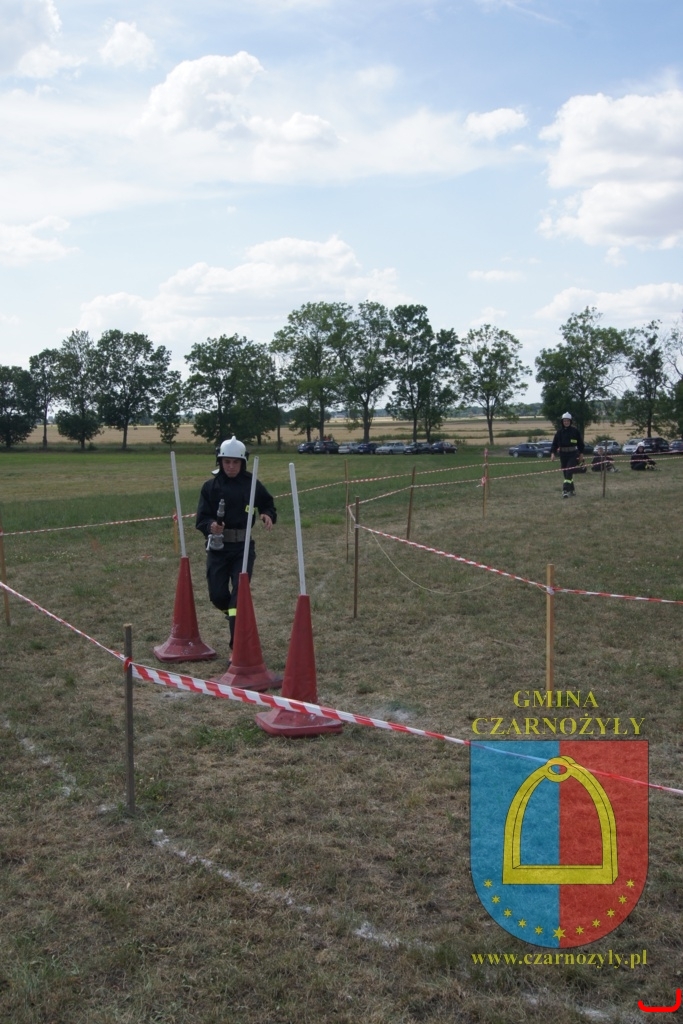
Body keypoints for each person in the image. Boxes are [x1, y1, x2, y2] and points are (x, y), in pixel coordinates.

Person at [196, 436, 277, 652]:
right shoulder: (210, 487)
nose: (231, 466)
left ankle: (237, 647)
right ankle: (235, 617)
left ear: (243, 463)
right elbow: (201, 519)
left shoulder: (252, 484)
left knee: (238, 599)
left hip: (243, 549)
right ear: (220, 461)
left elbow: (268, 503)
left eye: (235, 462)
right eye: (227, 462)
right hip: (218, 549)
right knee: (218, 596)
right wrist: (211, 526)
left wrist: (267, 514)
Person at [550, 412, 585, 498]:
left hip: (573, 454)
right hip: (563, 455)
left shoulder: (575, 431)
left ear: (570, 421)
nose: (566, 422)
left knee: (569, 471)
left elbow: (581, 444)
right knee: (566, 474)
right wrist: (553, 453)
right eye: (564, 421)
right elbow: (554, 444)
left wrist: (581, 454)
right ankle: (572, 490)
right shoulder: (559, 432)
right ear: (562, 422)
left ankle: (565, 490)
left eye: (568, 421)